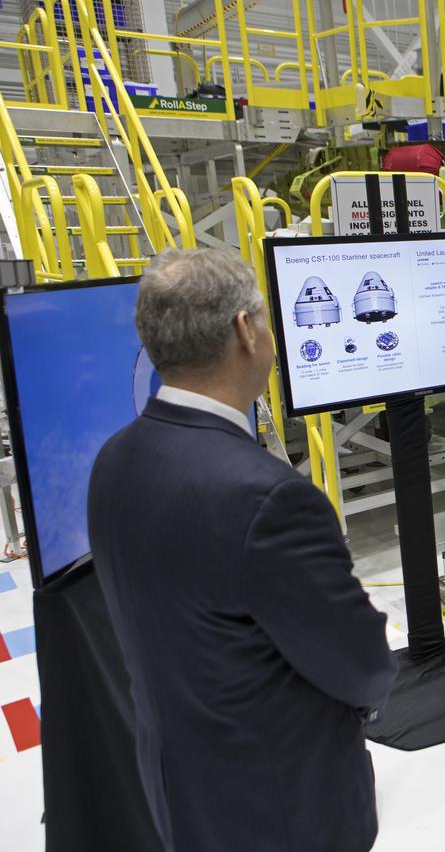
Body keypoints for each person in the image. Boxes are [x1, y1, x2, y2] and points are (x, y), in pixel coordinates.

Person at [87, 248, 397, 852]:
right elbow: (360, 664)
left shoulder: (113, 460)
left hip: (178, 788)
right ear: (244, 331)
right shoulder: (270, 498)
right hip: (283, 806)